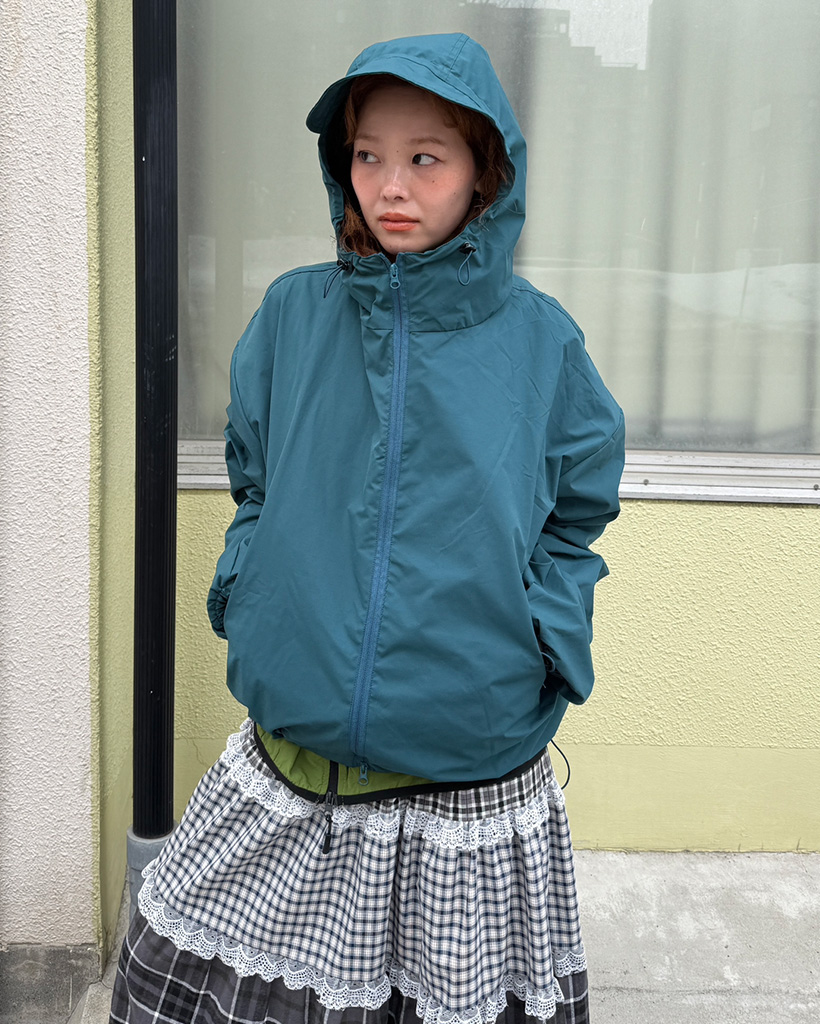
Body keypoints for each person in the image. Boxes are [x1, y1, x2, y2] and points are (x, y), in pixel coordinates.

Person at [110, 32, 624, 1024]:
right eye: (367, 154)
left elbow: (579, 510)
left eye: (426, 157)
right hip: (293, 758)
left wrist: (544, 636)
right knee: (181, 986)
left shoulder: (541, 342)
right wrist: (249, 587)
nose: (391, 184)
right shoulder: (292, 317)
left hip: (468, 764)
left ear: (484, 172)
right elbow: (254, 479)